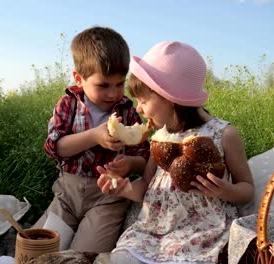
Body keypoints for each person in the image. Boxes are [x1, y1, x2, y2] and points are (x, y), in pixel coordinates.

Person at [97, 41, 255, 263]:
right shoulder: (160, 138)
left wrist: (224, 190)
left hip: (203, 232)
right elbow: (146, 187)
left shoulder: (224, 134)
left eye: (143, 100)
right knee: (120, 259)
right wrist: (124, 188)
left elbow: (247, 189)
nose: (138, 109)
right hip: (154, 231)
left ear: (171, 98)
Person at [34, 26, 150, 253]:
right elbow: (55, 147)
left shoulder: (127, 111)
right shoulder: (68, 104)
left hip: (108, 198)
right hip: (67, 196)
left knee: (84, 255)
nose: (113, 93)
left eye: (120, 83)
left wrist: (130, 163)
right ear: (79, 79)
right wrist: (94, 135)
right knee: (39, 249)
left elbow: (144, 155)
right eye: (103, 85)